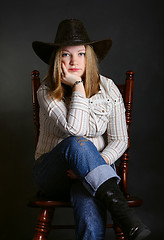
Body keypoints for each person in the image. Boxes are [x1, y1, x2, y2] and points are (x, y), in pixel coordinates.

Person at [32, 19, 150, 240]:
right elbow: (74, 130)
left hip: (91, 174)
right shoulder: (47, 89)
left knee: (88, 195)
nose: (74, 61)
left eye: (81, 53)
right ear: (58, 59)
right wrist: (77, 85)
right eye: (66, 54)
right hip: (53, 174)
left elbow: (120, 140)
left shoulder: (108, 87)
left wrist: (95, 163)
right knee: (79, 143)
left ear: (90, 57)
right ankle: (125, 216)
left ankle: (121, 214)